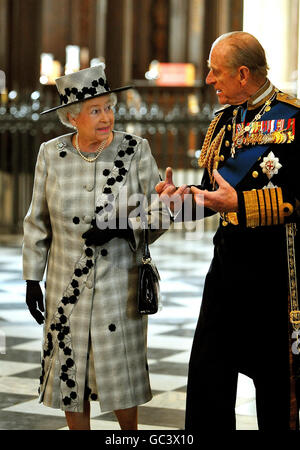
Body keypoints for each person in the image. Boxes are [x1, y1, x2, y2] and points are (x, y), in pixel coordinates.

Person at [156, 31, 300, 430]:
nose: (208, 80)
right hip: (227, 266)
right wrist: (179, 201)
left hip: (276, 273)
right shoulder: (224, 120)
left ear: (241, 73)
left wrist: (243, 204)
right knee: (208, 374)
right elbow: (210, 194)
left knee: (275, 383)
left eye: (215, 72)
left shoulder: (292, 118)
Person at [23, 65, 167, 430]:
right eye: (95, 110)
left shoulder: (134, 150)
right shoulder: (50, 154)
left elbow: (161, 211)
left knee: (121, 377)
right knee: (71, 376)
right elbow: (37, 220)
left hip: (119, 282)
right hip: (65, 285)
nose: (107, 117)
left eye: (109, 107)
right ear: (72, 118)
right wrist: (30, 279)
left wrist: (124, 227)